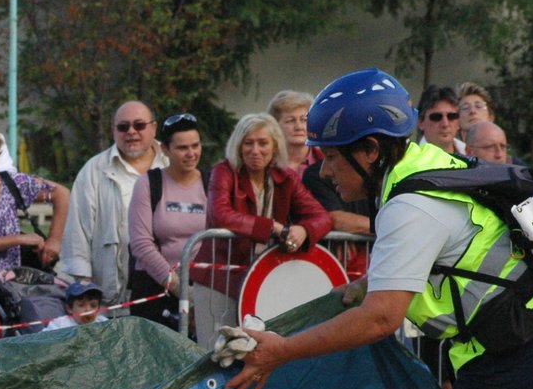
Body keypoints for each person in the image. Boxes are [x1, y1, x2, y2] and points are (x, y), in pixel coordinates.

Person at [225, 68, 533, 389]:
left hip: (532, 346)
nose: (323, 170)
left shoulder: (408, 205)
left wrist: (282, 350)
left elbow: (381, 319)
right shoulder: (423, 165)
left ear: (370, 151)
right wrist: (366, 284)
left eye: (334, 156)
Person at [202, 112, 332, 345]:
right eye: (248, 143)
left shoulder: (287, 177)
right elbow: (220, 215)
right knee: (213, 350)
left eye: (263, 143)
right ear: (238, 146)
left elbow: (322, 217)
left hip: (265, 280)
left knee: (256, 352)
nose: (255, 150)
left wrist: (303, 230)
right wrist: (271, 226)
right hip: (219, 278)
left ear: (274, 146)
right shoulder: (224, 171)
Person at [57, 100, 167, 305]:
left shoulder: (171, 164)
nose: (131, 132)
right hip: (113, 298)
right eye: (123, 127)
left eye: (139, 125)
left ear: (154, 127)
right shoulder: (93, 170)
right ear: (113, 131)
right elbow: (77, 233)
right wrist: (85, 290)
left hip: (166, 290)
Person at [0, 121, 69, 318]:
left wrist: (54, 240)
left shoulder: (11, 182)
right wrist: (20, 239)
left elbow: (61, 193)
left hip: (17, 286)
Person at [127, 112, 208, 328]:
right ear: (165, 149)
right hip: (156, 286)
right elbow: (141, 244)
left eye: (195, 145)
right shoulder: (148, 184)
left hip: (200, 289)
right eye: (182, 148)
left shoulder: (211, 183)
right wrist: (177, 286)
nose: (191, 153)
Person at [267, 89, 319, 177]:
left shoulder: (326, 162)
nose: (298, 127)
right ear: (275, 125)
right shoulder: (265, 163)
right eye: (290, 121)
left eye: (304, 120)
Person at [415, 85, 463, 154]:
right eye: (436, 117)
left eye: (451, 116)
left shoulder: (473, 155)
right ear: (421, 123)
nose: (445, 124)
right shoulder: (409, 161)